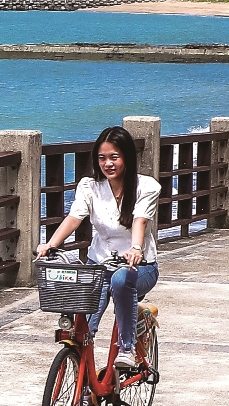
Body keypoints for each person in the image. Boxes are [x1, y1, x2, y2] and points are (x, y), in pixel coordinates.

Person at [35, 124, 161, 370]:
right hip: (99, 266)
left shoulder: (146, 186)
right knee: (84, 329)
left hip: (140, 267)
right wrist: (50, 245)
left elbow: (140, 220)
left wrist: (136, 248)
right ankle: (83, 391)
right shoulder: (89, 186)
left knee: (120, 280)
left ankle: (127, 348)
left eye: (114, 157)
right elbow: (74, 217)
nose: (108, 164)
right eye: (102, 158)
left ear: (126, 157)